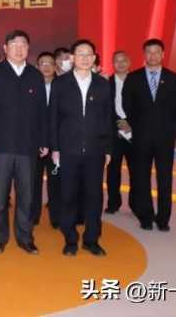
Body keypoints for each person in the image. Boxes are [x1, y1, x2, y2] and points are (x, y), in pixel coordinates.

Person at [0, 30, 47, 255]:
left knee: (27, 196)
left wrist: (44, 140)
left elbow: (42, 111)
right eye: (14, 44)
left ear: (28, 49)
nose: (19, 49)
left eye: (23, 45)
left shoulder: (35, 75)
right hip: (0, 145)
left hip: (28, 146)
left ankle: (25, 238)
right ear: (5, 48)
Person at [49, 40, 114, 256]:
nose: (85, 58)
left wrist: (108, 149)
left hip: (95, 149)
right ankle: (70, 238)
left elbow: (108, 118)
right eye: (80, 54)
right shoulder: (60, 83)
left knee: (94, 196)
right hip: (68, 149)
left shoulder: (103, 84)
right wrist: (55, 148)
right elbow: (53, 118)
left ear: (94, 58)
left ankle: (91, 239)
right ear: (72, 58)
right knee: (68, 195)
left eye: (89, 54)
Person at [122, 38, 176, 231]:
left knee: (165, 179)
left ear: (163, 54)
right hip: (141, 137)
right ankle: (145, 217)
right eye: (149, 52)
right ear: (144, 54)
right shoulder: (133, 78)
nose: (153, 55)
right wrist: (138, 125)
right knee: (141, 178)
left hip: (165, 138)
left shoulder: (174, 79)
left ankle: (163, 219)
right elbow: (127, 105)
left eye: (156, 52)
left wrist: (172, 131)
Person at [31, 51, 60, 229]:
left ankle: (56, 217)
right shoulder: (30, 86)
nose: (47, 66)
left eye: (50, 63)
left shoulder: (63, 86)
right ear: (37, 66)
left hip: (57, 143)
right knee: (32, 182)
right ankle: (32, 216)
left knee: (56, 182)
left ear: (55, 66)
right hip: (34, 143)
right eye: (43, 63)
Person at [105, 50, 134, 214]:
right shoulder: (106, 83)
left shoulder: (138, 81)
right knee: (113, 171)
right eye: (117, 61)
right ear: (113, 63)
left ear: (129, 62)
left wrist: (130, 124)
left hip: (134, 133)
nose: (120, 63)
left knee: (136, 171)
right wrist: (117, 124)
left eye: (124, 60)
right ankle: (113, 203)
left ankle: (135, 204)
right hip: (113, 134)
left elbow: (144, 108)